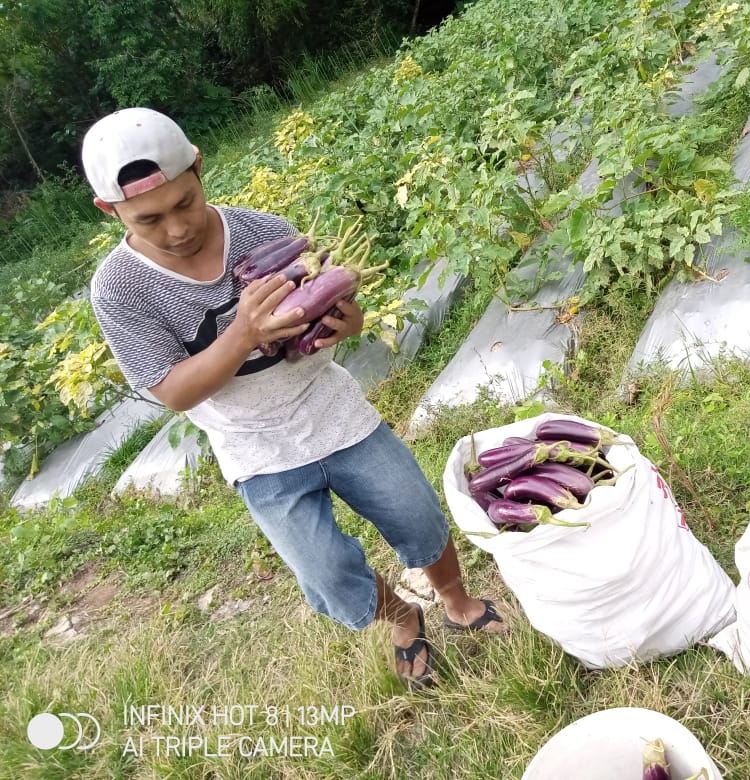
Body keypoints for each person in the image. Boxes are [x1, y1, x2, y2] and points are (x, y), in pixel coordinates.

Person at [82, 107, 507, 689]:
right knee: (327, 573)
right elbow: (173, 389)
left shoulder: (262, 232)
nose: (177, 227)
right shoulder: (118, 289)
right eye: (150, 219)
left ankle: (456, 601)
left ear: (199, 169)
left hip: (334, 412)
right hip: (256, 451)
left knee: (416, 513)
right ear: (112, 212)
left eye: (186, 203)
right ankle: (402, 616)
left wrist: (349, 321)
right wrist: (244, 334)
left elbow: (337, 314)